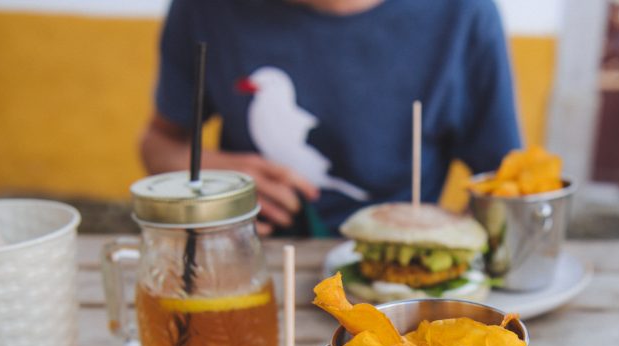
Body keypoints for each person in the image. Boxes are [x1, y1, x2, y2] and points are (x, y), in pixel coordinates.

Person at [140, 0, 522, 236]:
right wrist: (217, 181)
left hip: (397, 299)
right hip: (253, 270)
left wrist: (443, 249)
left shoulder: (464, 14)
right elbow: (160, 144)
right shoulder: (205, 9)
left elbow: (508, 189)